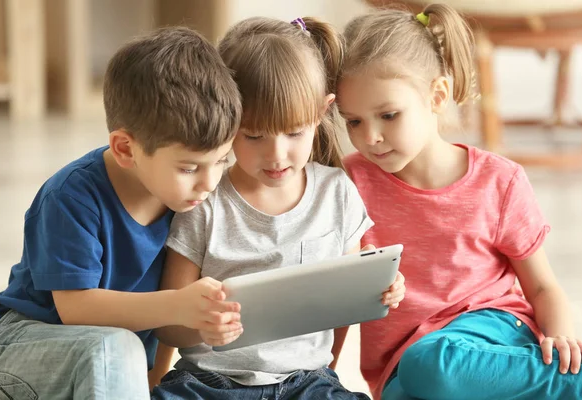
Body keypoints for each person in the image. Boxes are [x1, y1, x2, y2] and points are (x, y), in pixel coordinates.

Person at [337, 4, 582, 399]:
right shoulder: (349, 182)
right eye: (353, 121)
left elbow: (541, 287)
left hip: (493, 332)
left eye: (388, 115)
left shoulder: (499, 181)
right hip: (402, 367)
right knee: (406, 387)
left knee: (433, 362)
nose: (370, 136)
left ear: (437, 95)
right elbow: (337, 294)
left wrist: (561, 339)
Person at [151, 16, 405, 400]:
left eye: (294, 132)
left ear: (322, 113)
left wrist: (377, 288)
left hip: (306, 381)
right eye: (253, 136)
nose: (276, 155)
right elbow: (168, 326)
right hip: (210, 382)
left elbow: (342, 308)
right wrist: (202, 327)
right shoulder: (205, 201)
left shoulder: (337, 193)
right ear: (227, 120)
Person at [0, 27, 242, 399]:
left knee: (122, 351)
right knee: (116, 348)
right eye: (189, 167)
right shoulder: (71, 197)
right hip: (20, 343)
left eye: (222, 160)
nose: (209, 183)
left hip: (108, 360)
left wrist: (192, 329)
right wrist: (177, 305)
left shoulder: (186, 202)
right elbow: (76, 307)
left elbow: (162, 325)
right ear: (125, 148)